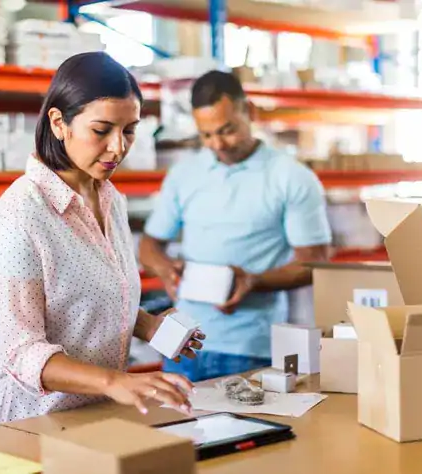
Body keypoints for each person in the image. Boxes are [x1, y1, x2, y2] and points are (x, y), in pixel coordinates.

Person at [0, 52, 204, 428]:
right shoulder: (21, 215)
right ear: (59, 123)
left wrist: (149, 326)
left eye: (129, 130)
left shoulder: (111, 199)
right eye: (101, 131)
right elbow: (18, 351)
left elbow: (91, 300)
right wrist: (117, 382)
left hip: (93, 417)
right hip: (29, 423)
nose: (118, 147)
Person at [139, 70, 331, 382]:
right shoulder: (184, 173)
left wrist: (253, 281)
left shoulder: (291, 177)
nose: (217, 144)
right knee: (175, 430)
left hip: (251, 348)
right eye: (206, 134)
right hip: (180, 341)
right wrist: (165, 269)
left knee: (247, 430)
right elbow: (149, 244)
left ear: (249, 112)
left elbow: (315, 262)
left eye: (227, 130)